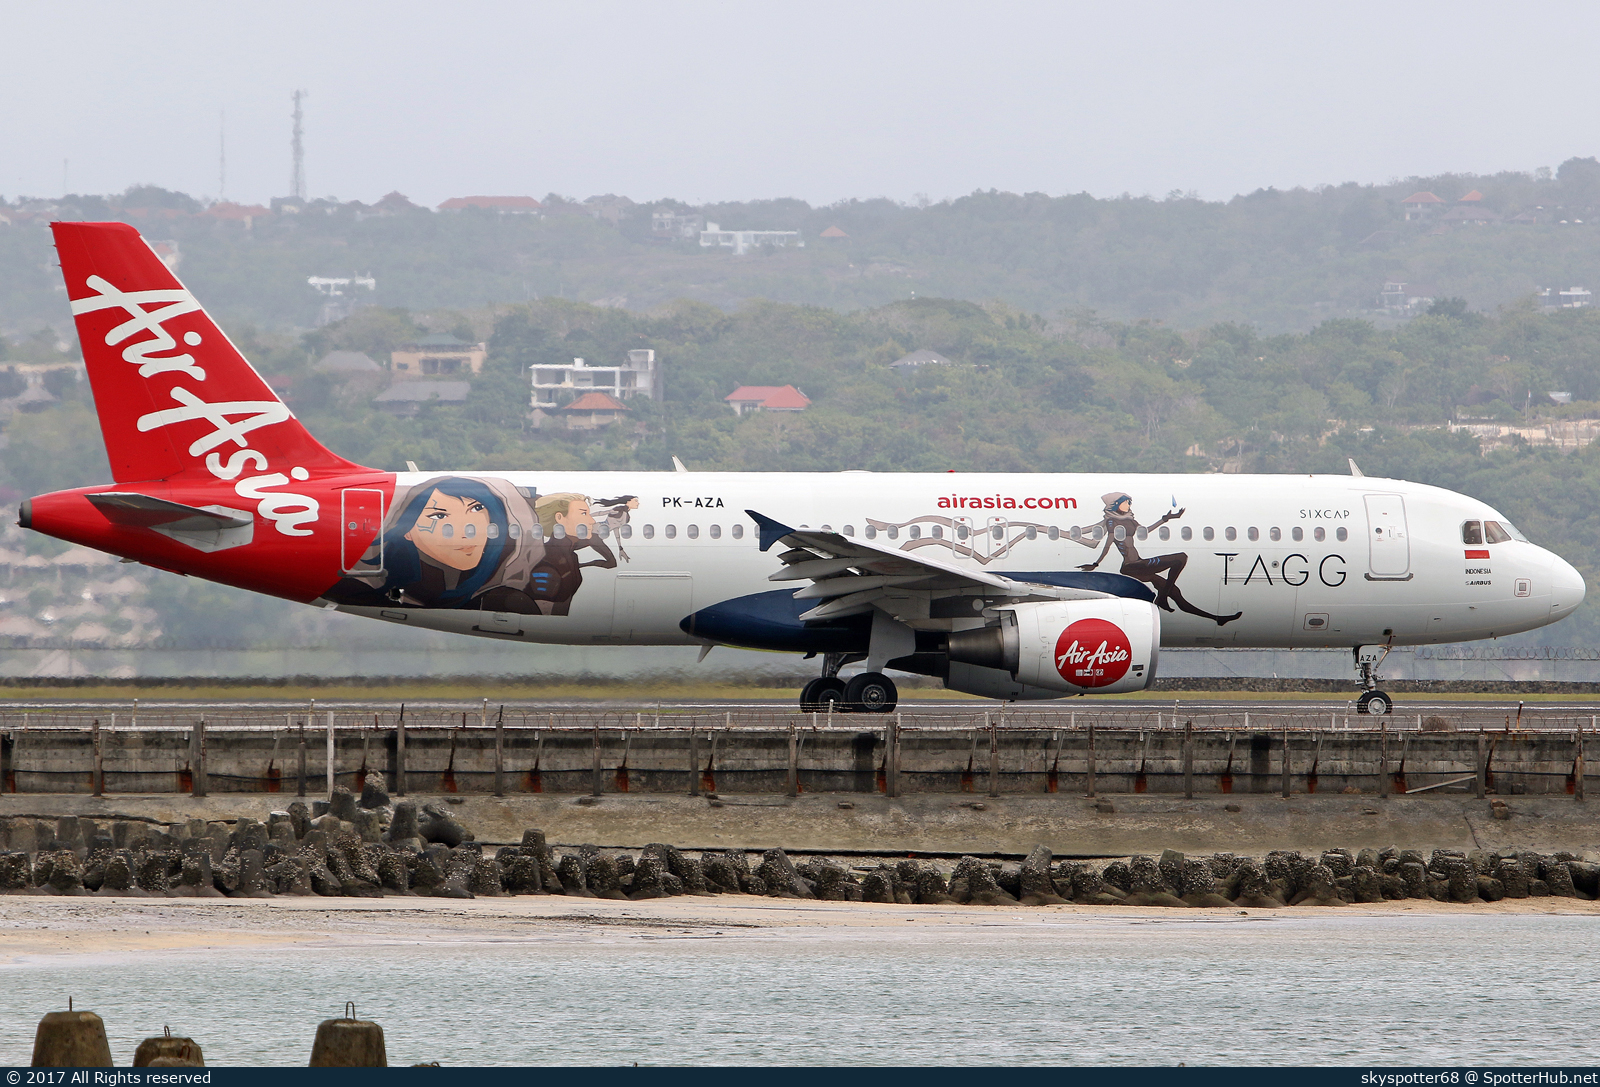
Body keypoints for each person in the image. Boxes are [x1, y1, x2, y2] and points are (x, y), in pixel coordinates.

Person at [325, 476, 546, 613]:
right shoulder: (366, 590)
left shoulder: (509, 595)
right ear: (407, 531)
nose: (465, 531)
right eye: (439, 516)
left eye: (477, 509)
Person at [1076, 491, 1241, 627]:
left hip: (1139, 565)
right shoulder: (1112, 522)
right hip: (1133, 566)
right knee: (1180, 558)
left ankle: (1217, 619)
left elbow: (1145, 531)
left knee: (1176, 593)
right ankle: (1162, 597)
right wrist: (1096, 563)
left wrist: (1166, 519)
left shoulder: (1130, 521)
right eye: (1126, 502)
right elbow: (1108, 543)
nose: (1129, 505)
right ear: (1116, 505)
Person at [526, 493, 623, 615]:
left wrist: (586, 562)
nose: (592, 521)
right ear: (559, 518)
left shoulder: (569, 555)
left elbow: (611, 564)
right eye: (583, 513)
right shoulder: (549, 559)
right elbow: (543, 607)